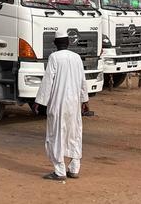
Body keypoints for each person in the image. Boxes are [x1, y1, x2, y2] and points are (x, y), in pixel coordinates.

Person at [33, 29, 89, 181]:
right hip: (74, 104)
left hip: (59, 103)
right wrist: (85, 100)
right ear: (68, 42)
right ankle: (74, 168)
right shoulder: (77, 58)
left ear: (55, 44)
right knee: (74, 134)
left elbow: (48, 81)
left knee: (56, 135)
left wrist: (39, 101)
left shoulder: (54, 57)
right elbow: (83, 81)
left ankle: (59, 171)